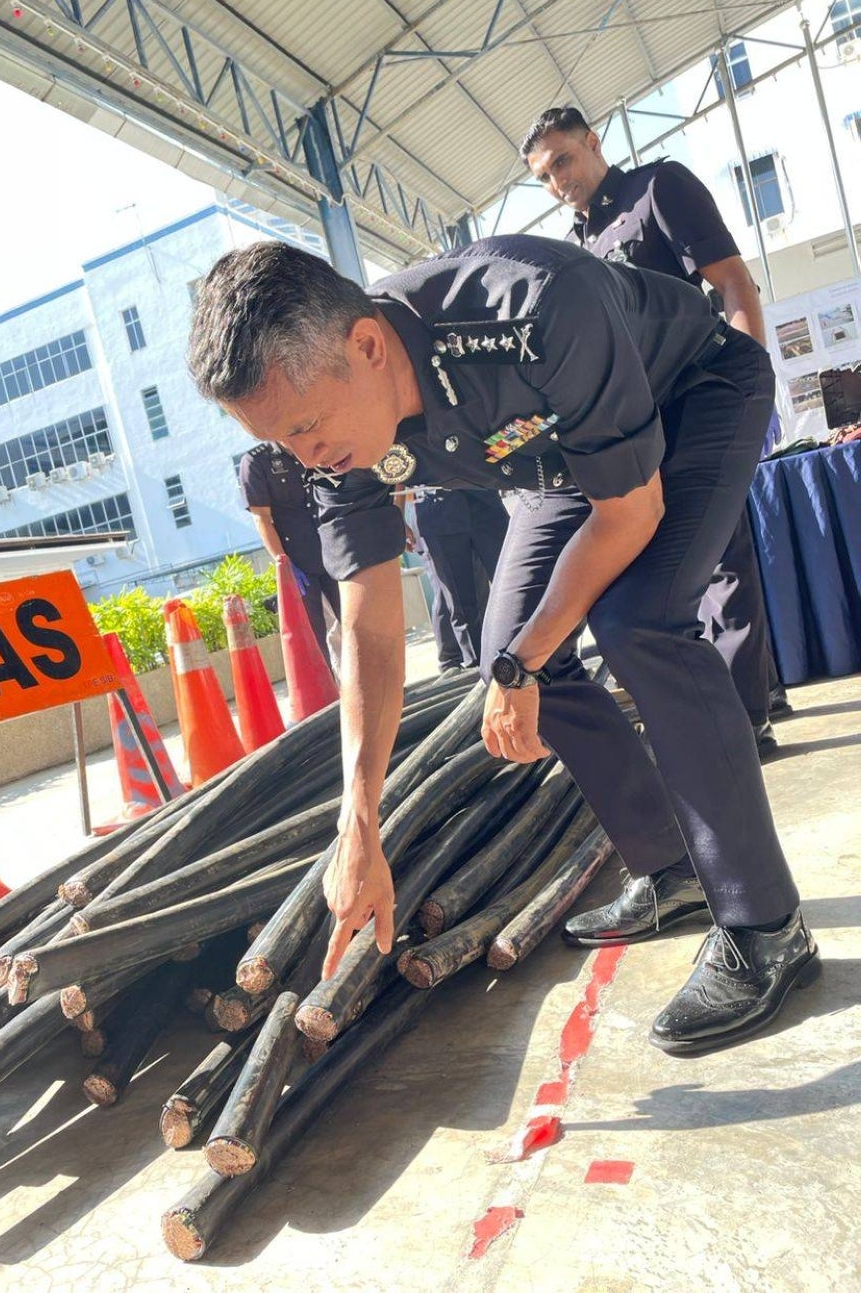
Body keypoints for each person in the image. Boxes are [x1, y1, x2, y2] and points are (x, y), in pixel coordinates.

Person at [189, 238, 818, 1056]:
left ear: (368, 346)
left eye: (305, 429)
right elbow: (372, 621)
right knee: (509, 655)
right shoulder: (330, 428)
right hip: (564, 466)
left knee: (639, 623)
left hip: (692, 396)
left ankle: (766, 925)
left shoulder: (533, 308)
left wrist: (524, 661)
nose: (304, 458)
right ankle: (674, 871)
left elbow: (628, 513)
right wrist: (360, 820)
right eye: (281, 443)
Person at [520, 106, 792, 757]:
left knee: (723, 561)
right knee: (662, 575)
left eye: (563, 160)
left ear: (592, 143)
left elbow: (731, 280)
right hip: (637, 430)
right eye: (544, 176)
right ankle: (730, 701)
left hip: (704, 400)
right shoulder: (574, 248)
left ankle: (748, 719)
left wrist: (752, 387)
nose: (558, 180)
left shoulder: (659, 188)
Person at [238, 441, 340, 670]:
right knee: (314, 638)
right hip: (299, 560)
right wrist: (283, 563)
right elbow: (262, 518)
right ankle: (331, 697)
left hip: (334, 550)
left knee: (354, 625)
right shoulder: (257, 461)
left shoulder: (316, 444)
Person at [403, 487, 509, 673]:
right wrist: (397, 514)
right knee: (461, 605)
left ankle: (533, 657)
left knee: (514, 588)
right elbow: (395, 469)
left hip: (483, 499)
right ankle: (475, 671)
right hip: (437, 510)